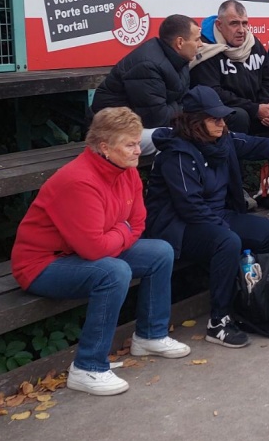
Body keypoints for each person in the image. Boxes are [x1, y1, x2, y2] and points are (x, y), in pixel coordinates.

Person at [11, 107, 192, 396]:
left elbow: (139, 222)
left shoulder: (126, 170)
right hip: (42, 265)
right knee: (114, 271)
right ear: (105, 148)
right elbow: (95, 247)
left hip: (83, 254)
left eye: (137, 142)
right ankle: (88, 367)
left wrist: (117, 233)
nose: (138, 150)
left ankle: (149, 336)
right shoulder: (78, 180)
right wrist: (121, 231)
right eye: (130, 144)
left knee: (160, 252)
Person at [144, 87, 269, 349]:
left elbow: (256, 144)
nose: (223, 123)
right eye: (215, 119)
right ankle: (218, 321)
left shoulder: (222, 140)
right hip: (179, 226)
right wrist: (225, 231)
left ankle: (250, 298)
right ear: (195, 122)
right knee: (227, 242)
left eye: (223, 118)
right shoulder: (177, 153)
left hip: (216, 216)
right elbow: (190, 207)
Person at [92, 13, 202, 148]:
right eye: (197, 40)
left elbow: (186, 100)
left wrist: (178, 108)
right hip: (111, 131)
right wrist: (181, 108)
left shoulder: (180, 59)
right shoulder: (148, 65)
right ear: (180, 42)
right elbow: (157, 118)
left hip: (140, 125)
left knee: (207, 130)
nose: (201, 44)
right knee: (179, 140)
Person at [190, 0, 269, 136]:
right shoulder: (205, 49)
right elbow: (213, 93)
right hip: (225, 111)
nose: (241, 30)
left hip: (255, 107)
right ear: (219, 25)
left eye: (244, 23)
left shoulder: (253, 43)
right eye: (234, 23)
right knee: (240, 115)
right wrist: (255, 109)